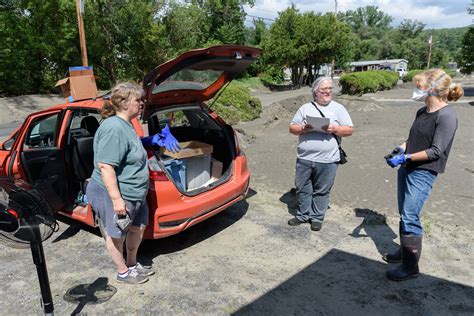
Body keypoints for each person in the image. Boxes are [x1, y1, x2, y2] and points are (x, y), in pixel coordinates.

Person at [383, 69, 464, 281]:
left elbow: (436, 151)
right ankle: (404, 251)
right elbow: (412, 140)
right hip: (407, 167)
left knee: (410, 214)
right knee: (404, 212)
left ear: (432, 89)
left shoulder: (447, 115)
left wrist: (406, 158)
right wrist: (399, 150)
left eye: (419, 86)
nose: (416, 89)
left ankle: (410, 266)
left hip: (424, 172)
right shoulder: (422, 112)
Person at [86, 82, 154, 284]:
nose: (142, 103)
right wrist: (117, 200)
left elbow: (128, 152)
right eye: (138, 100)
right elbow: (106, 167)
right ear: (124, 103)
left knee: (137, 228)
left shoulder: (127, 124)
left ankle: (132, 264)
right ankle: (122, 271)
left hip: (135, 193)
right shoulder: (113, 127)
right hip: (115, 194)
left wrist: (150, 142)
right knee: (116, 234)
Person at [288, 77, 353, 231]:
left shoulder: (338, 108)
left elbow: (349, 130)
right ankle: (303, 215)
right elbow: (292, 128)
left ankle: (317, 218)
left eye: (330, 88)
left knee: (322, 190)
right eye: (324, 89)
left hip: (328, 159)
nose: (328, 92)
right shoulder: (305, 108)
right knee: (302, 187)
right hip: (304, 157)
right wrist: (303, 128)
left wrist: (334, 129)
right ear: (316, 91)